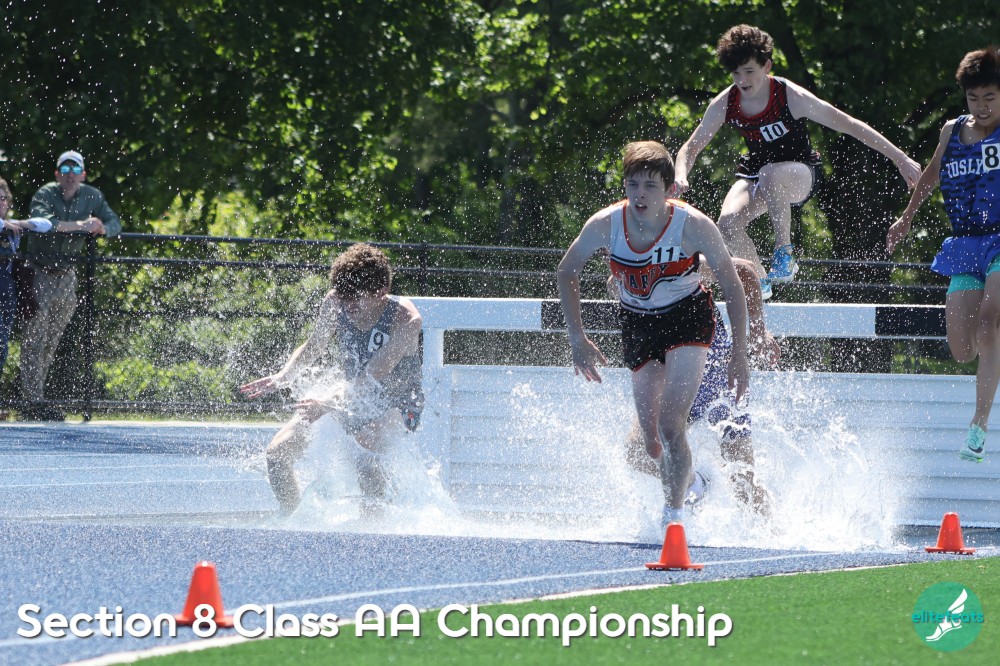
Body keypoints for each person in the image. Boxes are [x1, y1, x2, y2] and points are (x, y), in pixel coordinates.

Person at [558, 140, 750, 527]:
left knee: (669, 424)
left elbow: (734, 285)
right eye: (633, 185)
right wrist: (577, 338)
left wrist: (740, 354)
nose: (640, 195)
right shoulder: (606, 224)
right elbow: (566, 271)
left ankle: (672, 518)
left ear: (669, 189)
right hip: (639, 324)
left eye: (650, 186)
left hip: (687, 318)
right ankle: (694, 483)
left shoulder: (693, 225)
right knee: (649, 445)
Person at [673, 24, 921, 299]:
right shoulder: (726, 103)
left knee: (770, 173)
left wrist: (899, 157)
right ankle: (759, 283)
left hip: (800, 172)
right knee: (728, 225)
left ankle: (784, 252)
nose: (742, 80)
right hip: (757, 172)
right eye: (736, 73)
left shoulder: (790, 96)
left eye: (749, 71)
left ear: (767, 66)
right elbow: (690, 147)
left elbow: (850, 124)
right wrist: (680, 175)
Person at [240, 243, 424, 516]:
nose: (347, 305)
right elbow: (315, 345)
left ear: (381, 292)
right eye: (342, 295)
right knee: (277, 455)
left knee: (366, 456)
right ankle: (294, 523)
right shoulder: (336, 301)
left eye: (355, 298)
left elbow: (371, 377)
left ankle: (373, 529)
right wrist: (284, 376)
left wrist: (327, 403)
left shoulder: (406, 320)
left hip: (397, 404)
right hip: (347, 396)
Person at [886, 46, 1000, 463]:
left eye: (990, 97)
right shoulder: (952, 131)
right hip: (965, 243)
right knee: (962, 349)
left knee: (989, 323)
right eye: (974, 98)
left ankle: (979, 425)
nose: (982, 106)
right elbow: (932, 174)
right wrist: (906, 218)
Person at [619, 257, 778, 516]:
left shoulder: (674, 256)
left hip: (716, 375)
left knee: (743, 480)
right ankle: (697, 481)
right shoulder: (620, 278)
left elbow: (745, 271)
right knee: (639, 452)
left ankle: (773, 533)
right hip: (672, 376)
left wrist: (758, 333)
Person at [20, 150, 121, 420]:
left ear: (83, 174)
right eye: (65, 170)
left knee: (52, 340)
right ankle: (32, 401)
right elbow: (44, 224)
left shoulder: (92, 196)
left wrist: (101, 229)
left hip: (67, 275)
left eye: (75, 170)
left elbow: (115, 223)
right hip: (39, 270)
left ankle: (36, 398)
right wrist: (80, 225)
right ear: (57, 174)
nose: (70, 175)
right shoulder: (45, 193)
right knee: (34, 338)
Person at [0, 177, 52, 374]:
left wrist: (18, 223)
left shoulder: (12, 224)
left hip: (5, 290)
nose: (1, 203)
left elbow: (46, 224)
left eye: (3, 198)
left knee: (1, 346)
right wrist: (3, 225)